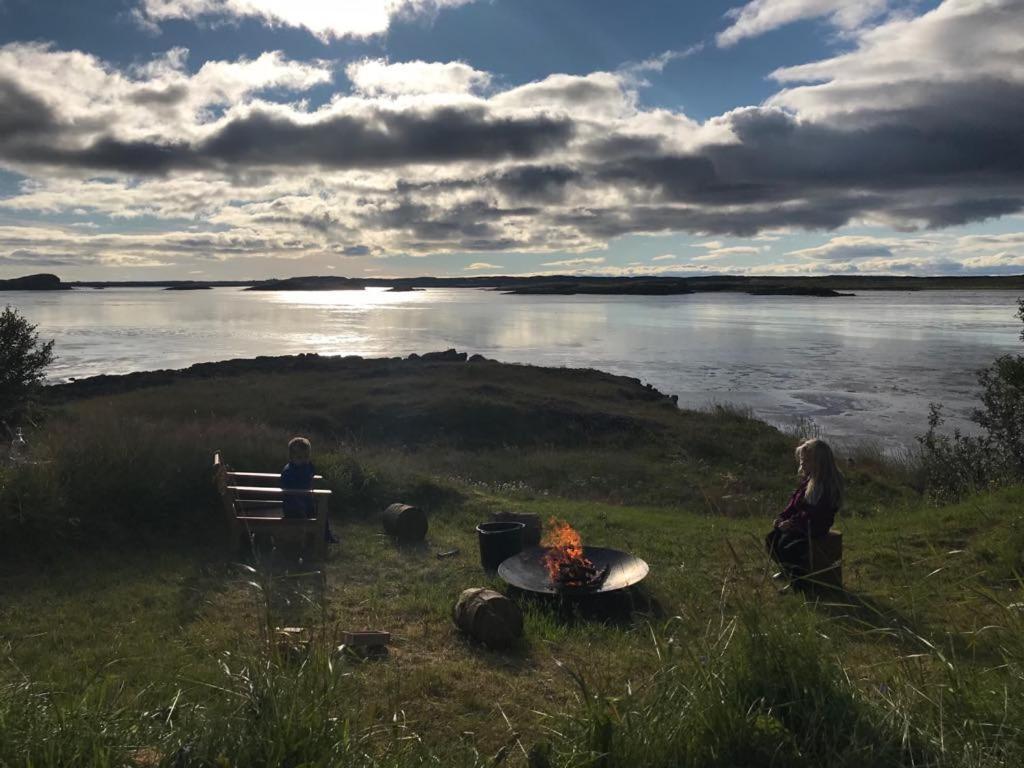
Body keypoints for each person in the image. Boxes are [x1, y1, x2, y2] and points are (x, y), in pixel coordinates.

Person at [766, 438, 843, 583]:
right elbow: (794, 504)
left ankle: (800, 580)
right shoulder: (808, 480)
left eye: (806, 460)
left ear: (819, 463)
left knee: (789, 545)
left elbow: (816, 513)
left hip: (814, 527)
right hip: (800, 523)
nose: (802, 463)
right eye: (801, 459)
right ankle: (788, 570)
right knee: (773, 538)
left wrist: (792, 523)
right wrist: (783, 518)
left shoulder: (827, 485)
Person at [281, 436, 338, 543]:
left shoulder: (308, 466)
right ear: (291, 457)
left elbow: (311, 478)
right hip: (292, 504)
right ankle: (305, 541)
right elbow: (288, 491)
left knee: (321, 511)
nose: (303, 460)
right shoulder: (289, 471)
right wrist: (300, 501)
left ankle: (326, 536)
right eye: (299, 457)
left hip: (306, 501)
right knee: (302, 512)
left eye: (306, 457)